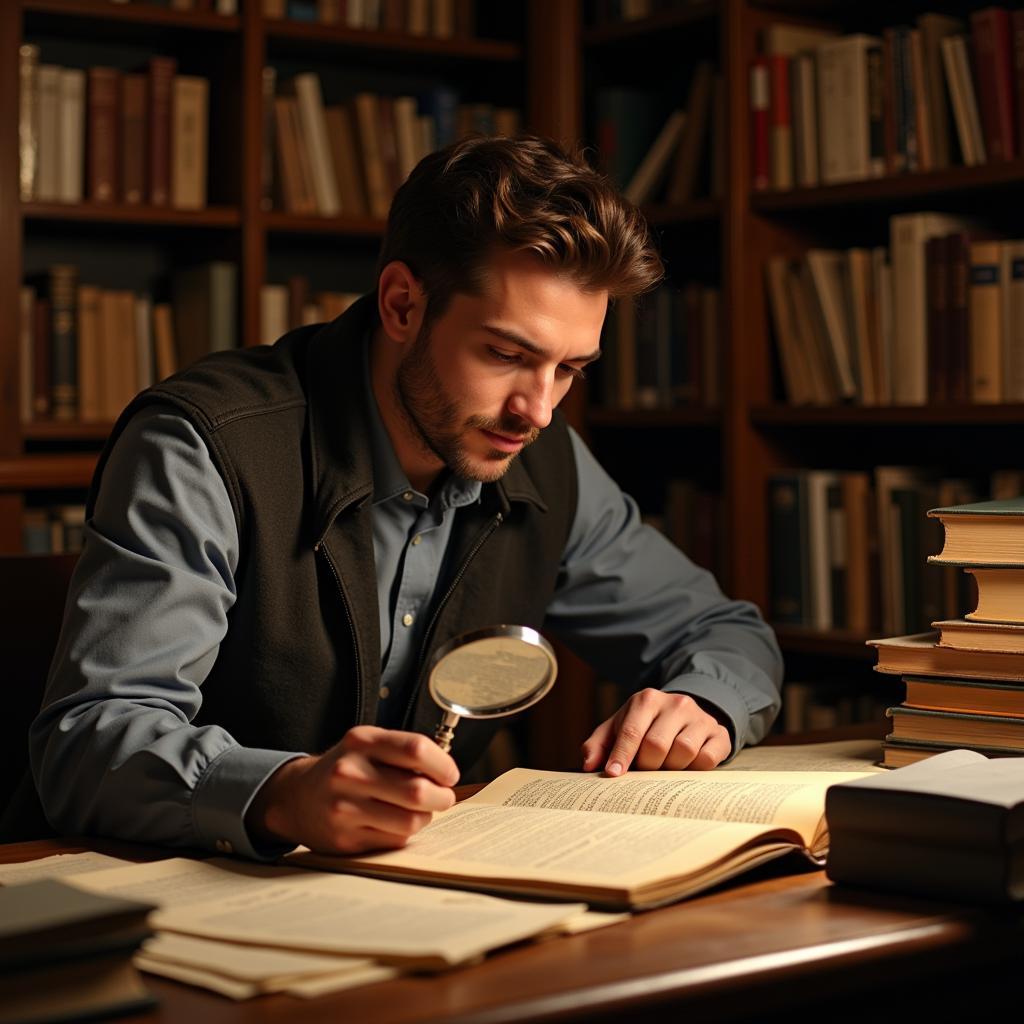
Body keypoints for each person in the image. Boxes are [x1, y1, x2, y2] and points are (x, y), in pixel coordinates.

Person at [30, 134, 783, 860]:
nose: (539, 410)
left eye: (568, 369)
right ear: (400, 304)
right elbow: (92, 739)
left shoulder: (546, 458)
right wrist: (282, 793)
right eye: (506, 355)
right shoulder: (203, 444)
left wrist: (703, 705)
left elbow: (727, 634)